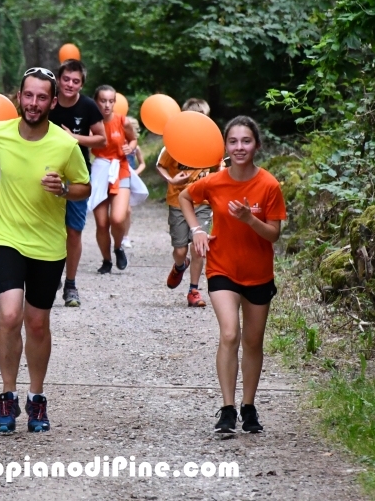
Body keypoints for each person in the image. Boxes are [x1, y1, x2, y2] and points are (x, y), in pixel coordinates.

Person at [0, 67, 91, 433]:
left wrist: (63, 190)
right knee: (10, 316)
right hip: (5, 238)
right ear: (19, 97)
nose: (34, 103)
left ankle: (36, 397)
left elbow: (83, 188)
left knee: (37, 323)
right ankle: (7, 395)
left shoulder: (65, 144)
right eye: (29, 95)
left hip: (47, 244)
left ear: (53, 102)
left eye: (42, 97)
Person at [178, 115, 286, 434]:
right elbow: (185, 196)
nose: (240, 147)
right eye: (234, 141)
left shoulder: (269, 185)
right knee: (229, 334)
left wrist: (249, 220)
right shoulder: (215, 181)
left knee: (253, 342)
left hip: (258, 274)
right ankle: (227, 409)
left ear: (257, 145)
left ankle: (248, 407)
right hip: (222, 268)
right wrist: (197, 230)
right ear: (225, 146)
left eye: (246, 141)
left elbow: (274, 235)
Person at [48, 59, 106, 307]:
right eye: (66, 79)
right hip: (48, 170)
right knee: (49, 229)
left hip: (77, 173)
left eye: (76, 81)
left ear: (82, 84)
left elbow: (102, 139)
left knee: (73, 230)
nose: (70, 85)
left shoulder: (88, 106)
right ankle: (50, 277)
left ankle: (70, 284)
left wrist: (74, 138)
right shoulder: (48, 101)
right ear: (58, 80)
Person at [156, 98, 215, 307]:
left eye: (202, 119)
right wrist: (172, 180)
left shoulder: (212, 143)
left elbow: (221, 170)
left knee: (199, 246)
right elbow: (160, 165)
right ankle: (180, 266)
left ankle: (194, 290)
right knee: (180, 250)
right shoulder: (174, 144)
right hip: (178, 202)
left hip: (203, 203)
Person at [89, 85, 140, 274]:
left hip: (121, 169)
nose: (107, 105)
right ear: (96, 102)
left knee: (117, 218)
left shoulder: (122, 121)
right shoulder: (92, 122)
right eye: (103, 100)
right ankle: (106, 260)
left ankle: (118, 247)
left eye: (111, 101)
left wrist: (131, 147)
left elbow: (133, 140)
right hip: (100, 169)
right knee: (101, 223)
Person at [121, 116, 145, 249]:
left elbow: (142, 164)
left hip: (129, 178)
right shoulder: (116, 144)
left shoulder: (136, 148)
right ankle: (116, 233)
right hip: (117, 177)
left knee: (128, 210)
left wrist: (136, 172)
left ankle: (126, 236)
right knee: (116, 211)